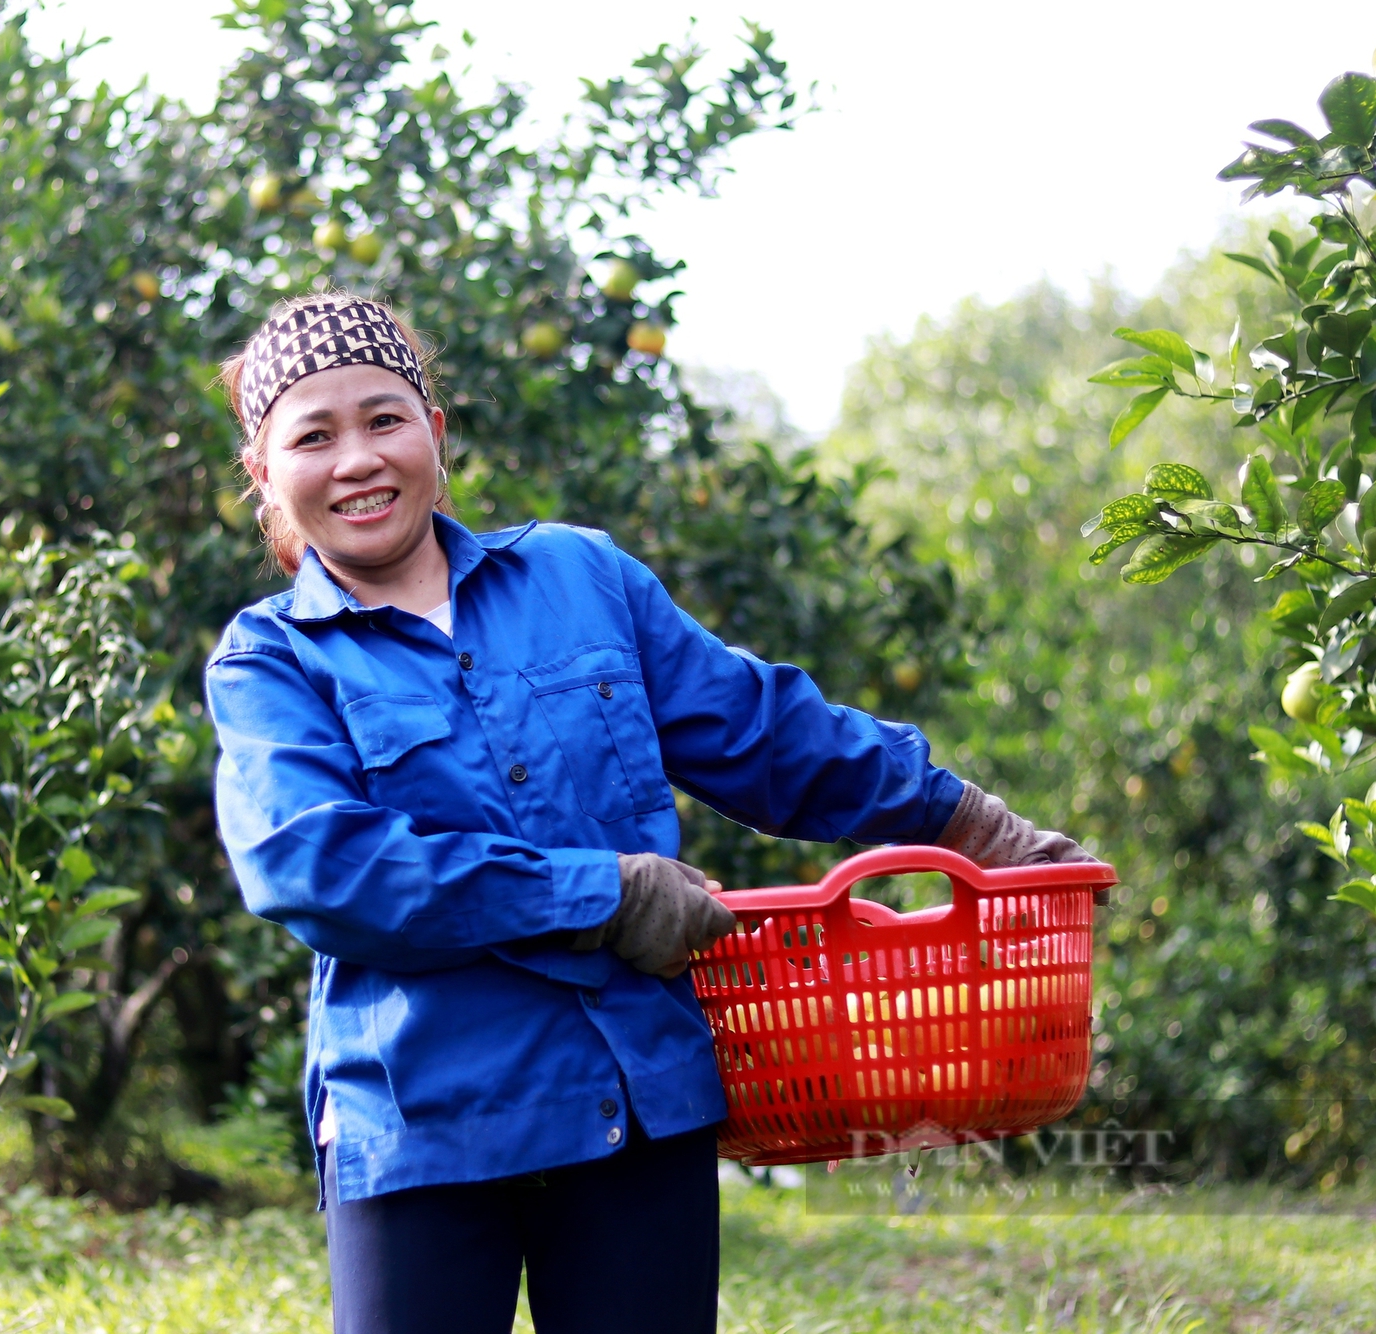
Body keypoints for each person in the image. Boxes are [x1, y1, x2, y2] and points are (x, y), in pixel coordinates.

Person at [205, 291, 1091, 1334]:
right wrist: (598, 893)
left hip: (632, 1101)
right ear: (265, 472)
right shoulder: (272, 659)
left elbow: (762, 732)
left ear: (434, 434)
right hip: (423, 1125)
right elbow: (317, 864)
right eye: (313, 434)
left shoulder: (581, 576)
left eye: (384, 418)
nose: (357, 457)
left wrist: (966, 823)